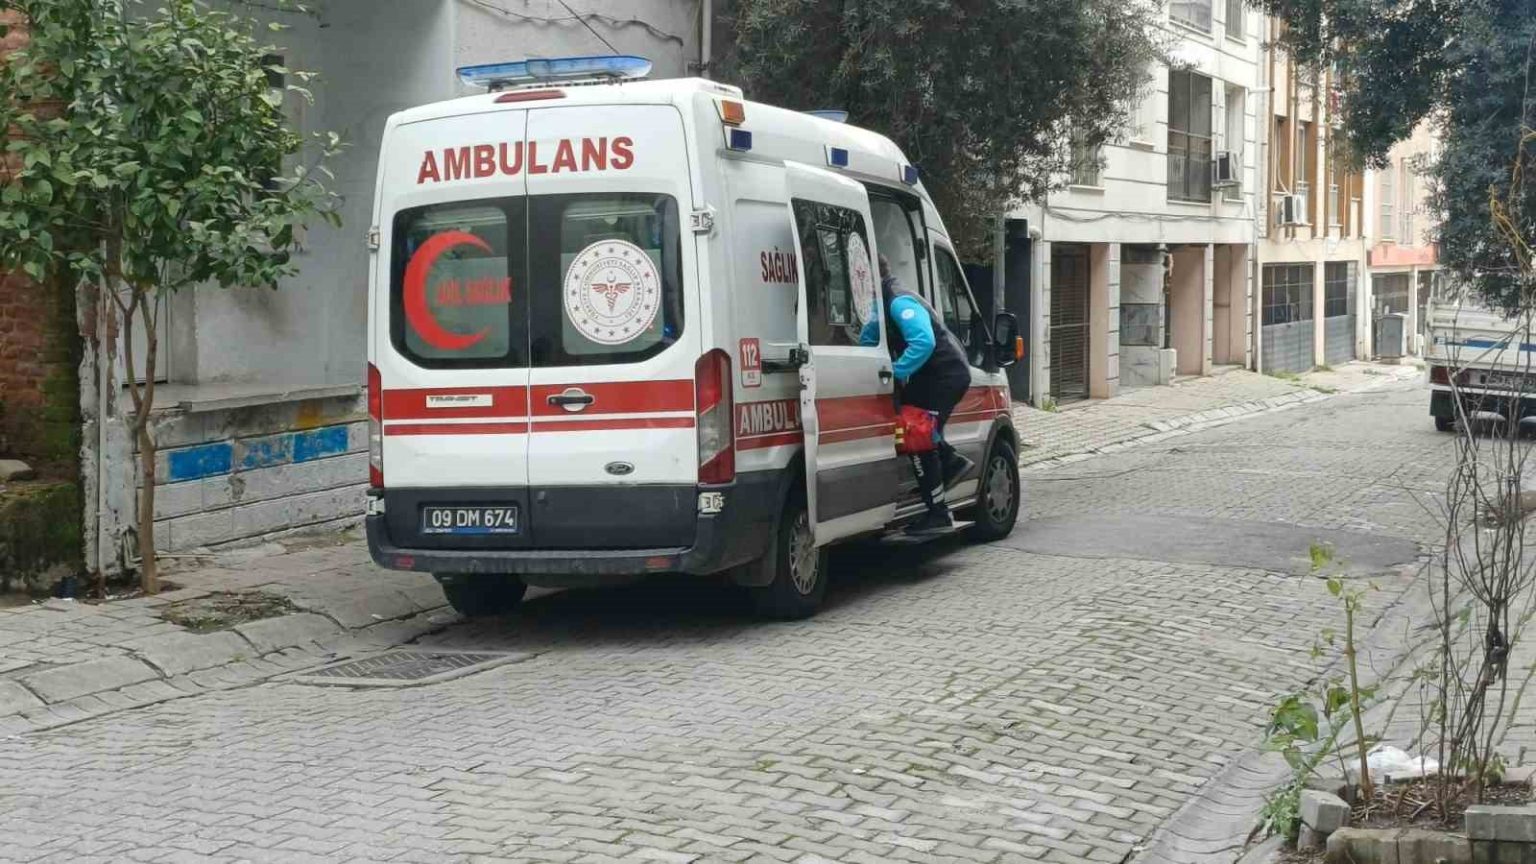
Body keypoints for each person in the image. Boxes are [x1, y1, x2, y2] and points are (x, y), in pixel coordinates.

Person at [861, 255, 974, 533]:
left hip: (945, 374)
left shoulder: (899, 301)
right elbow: (868, 338)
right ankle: (950, 465)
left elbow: (924, 341)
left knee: (916, 433)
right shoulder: (881, 303)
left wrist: (895, 371)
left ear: (874, 278)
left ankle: (938, 512)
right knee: (917, 431)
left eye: (861, 277)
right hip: (931, 375)